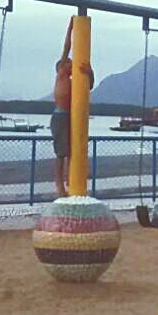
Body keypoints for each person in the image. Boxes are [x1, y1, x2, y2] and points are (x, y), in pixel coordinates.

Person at [52, 18, 94, 197]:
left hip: (72, 115)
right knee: (61, 152)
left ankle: (72, 180)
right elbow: (66, 48)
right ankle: (59, 184)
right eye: (69, 62)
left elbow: (89, 86)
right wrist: (70, 28)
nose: (72, 63)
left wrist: (89, 72)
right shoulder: (61, 74)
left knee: (73, 150)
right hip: (61, 115)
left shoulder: (75, 81)